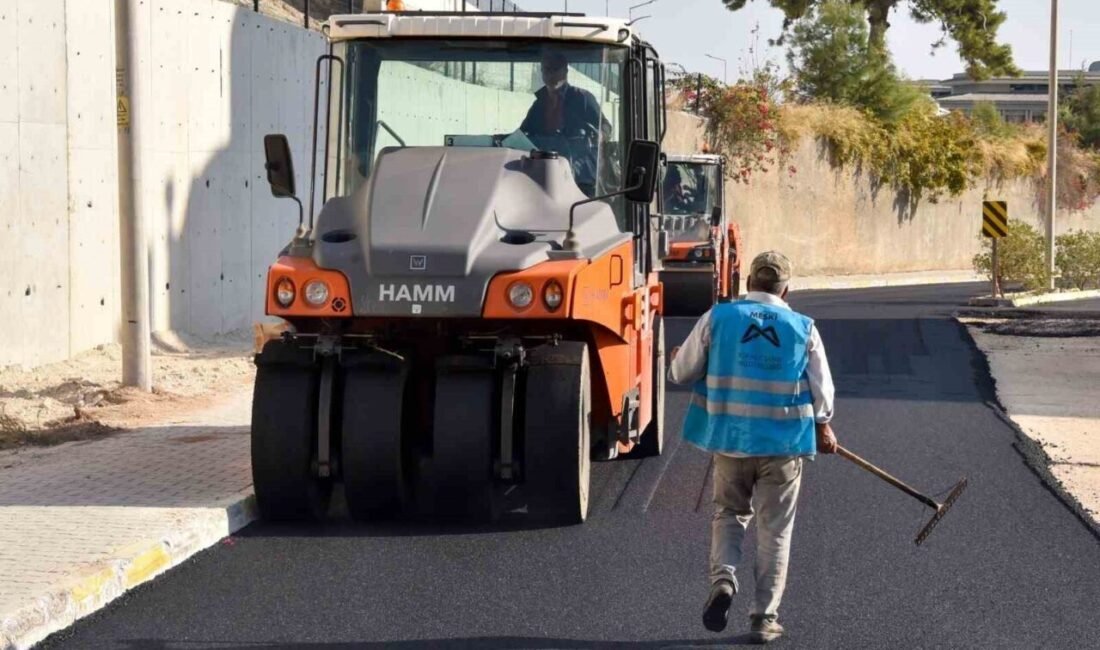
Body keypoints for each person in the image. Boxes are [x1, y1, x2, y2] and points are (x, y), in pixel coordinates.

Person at [668, 251, 838, 645]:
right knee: (775, 531)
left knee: (729, 513)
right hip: (784, 447)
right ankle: (764, 618)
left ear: (747, 283)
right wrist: (824, 426)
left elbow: (682, 373)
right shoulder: (803, 327)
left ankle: (724, 580)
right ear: (786, 289)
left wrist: (678, 359)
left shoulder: (719, 317)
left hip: (731, 442)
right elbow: (821, 392)